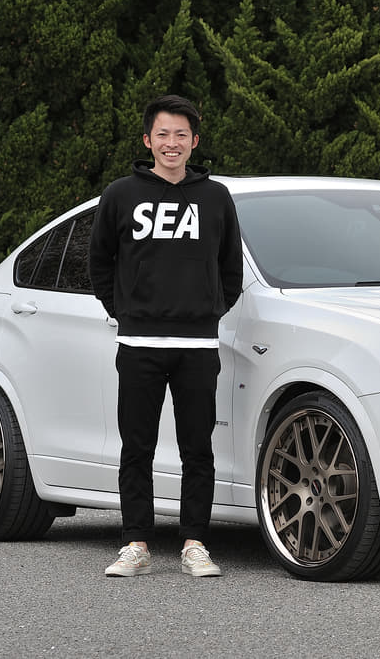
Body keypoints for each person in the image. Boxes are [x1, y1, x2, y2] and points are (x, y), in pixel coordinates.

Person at [88, 94, 243, 578]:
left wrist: (208, 312)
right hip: (139, 345)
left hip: (198, 346)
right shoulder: (120, 195)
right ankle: (135, 544)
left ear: (194, 141)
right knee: (137, 448)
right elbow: (99, 262)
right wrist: (126, 313)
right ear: (147, 140)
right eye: (162, 134)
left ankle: (195, 544)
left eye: (181, 134)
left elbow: (231, 268)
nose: (171, 143)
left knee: (198, 449)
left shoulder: (216, 197)